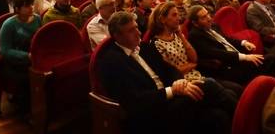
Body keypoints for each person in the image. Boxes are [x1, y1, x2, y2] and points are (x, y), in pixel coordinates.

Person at [98, 11, 237, 134]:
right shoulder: (111, 62)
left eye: (136, 27)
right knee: (209, 84)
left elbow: (169, 69)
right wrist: (172, 91)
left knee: (219, 116)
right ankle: (246, 118)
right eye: (131, 30)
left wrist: (179, 81)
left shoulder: (144, 47)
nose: (138, 33)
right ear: (117, 36)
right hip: (153, 113)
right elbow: (135, 102)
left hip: (171, 98)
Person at [188, 5, 275, 84]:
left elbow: (226, 39)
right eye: (203, 17)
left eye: (207, 14)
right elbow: (217, 53)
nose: (209, 18)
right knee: (271, 59)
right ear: (195, 23)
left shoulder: (213, 25)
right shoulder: (195, 35)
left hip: (236, 58)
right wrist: (245, 57)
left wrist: (243, 42)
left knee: (268, 61)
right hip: (226, 67)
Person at [0, 0, 41, 113]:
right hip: (15, 61)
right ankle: (27, 111)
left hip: (34, 57)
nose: (31, 8)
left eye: (31, 5)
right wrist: (26, 56)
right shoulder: (9, 25)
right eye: (26, 6)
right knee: (27, 80)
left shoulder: (37, 19)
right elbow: (5, 50)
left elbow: (41, 38)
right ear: (17, 9)